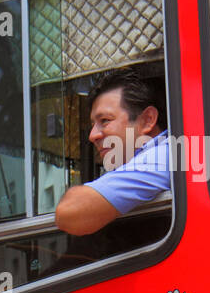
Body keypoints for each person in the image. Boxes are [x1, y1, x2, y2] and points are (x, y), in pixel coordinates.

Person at [55, 69, 169, 236]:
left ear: (148, 120)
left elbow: (69, 212)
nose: (92, 136)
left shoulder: (165, 156)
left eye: (105, 121)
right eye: (93, 125)